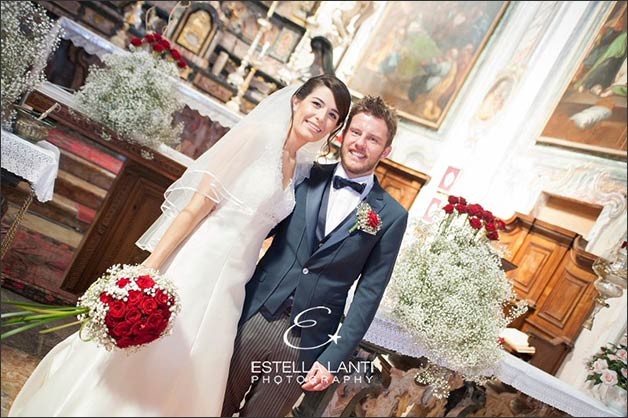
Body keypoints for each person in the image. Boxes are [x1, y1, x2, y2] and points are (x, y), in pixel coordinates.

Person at [8, 74, 352, 417]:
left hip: (235, 284)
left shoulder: (302, 169)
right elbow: (195, 207)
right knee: (150, 352)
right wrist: (150, 268)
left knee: (196, 369)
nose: (321, 118)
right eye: (316, 104)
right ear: (296, 101)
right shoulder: (256, 137)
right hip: (196, 263)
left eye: (333, 115)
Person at [221, 96, 409, 417]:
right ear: (344, 133)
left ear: (385, 151)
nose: (360, 144)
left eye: (373, 139)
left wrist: (334, 357)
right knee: (210, 405)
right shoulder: (305, 173)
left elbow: (369, 293)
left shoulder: (391, 215)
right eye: (356, 133)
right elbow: (259, 228)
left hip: (307, 342)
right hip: (253, 314)